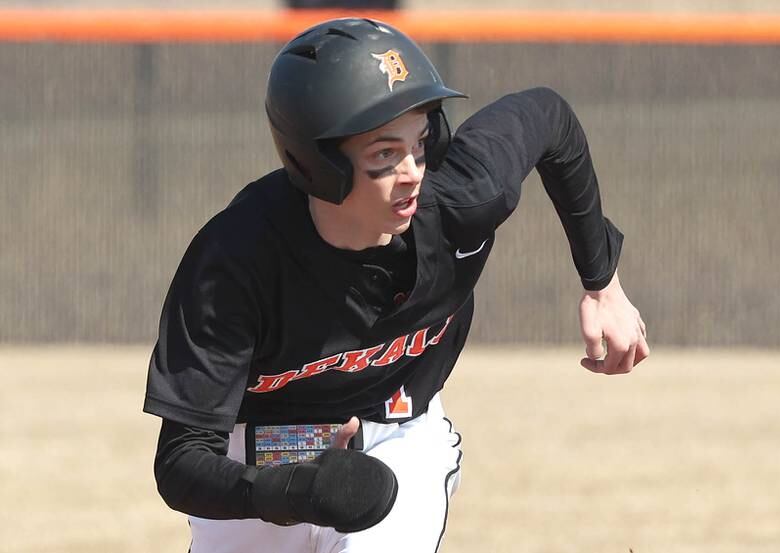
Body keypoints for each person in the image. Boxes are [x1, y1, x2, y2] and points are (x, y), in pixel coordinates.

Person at [143, 17, 649, 553]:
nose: (412, 172)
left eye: (421, 143)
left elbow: (550, 116)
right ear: (317, 165)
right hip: (256, 460)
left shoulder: (460, 199)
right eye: (384, 154)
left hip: (395, 433)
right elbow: (182, 462)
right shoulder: (235, 264)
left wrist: (603, 286)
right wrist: (295, 491)